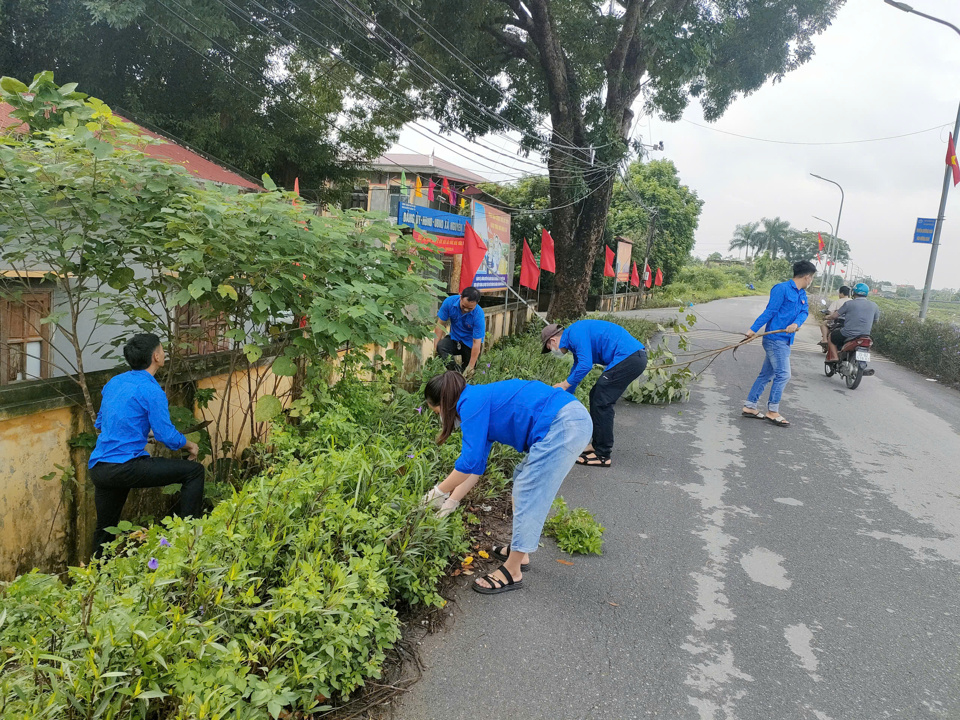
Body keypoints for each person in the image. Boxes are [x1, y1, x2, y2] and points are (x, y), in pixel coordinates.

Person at [421, 372, 592, 595]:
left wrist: (437, 492)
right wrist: (450, 503)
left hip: (564, 423)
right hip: (568, 419)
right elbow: (474, 468)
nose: (440, 419)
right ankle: (521, 553)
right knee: (522, 477)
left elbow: (468, 462)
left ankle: (512, 571)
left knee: (528, 491)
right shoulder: (477, 400)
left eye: (437, 413)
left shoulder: (470, 404)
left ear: (444, 403)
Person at [88, 333, 203, 556]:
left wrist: (141, 431)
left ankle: (95, 579)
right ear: (156, 356)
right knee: (194, 472)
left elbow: (102, 422)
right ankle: (189, 541)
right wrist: (189, 445)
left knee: (105, 530)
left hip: (100, 469)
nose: (164, 353)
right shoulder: (151, 390)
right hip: (126, 466)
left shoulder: (115, 382)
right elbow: (166, 436)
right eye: (162, 349)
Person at [540, 319, 647, 468]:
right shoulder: (574, 338)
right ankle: (597, 445)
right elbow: (578, 368)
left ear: (553, 340)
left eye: (549, 348)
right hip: (631, 357)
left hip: (629, 357)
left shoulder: (575, 334)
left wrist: (564, 384)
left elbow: (585, 365)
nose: (552, 351)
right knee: (596, 395)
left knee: (602, 400)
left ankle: (603, 454)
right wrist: (564, 396)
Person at [741, 260, 817, 428]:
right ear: (807, 277)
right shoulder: (781, 289)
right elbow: (770, 311)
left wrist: (796, 324)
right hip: (775, 340)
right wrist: (753, 329)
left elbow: (804, 312)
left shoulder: (802, 294)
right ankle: (772, 411)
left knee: (766, 375)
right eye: (811, 278)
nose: (811, 281)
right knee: (783, 374)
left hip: (785, 339)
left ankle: (750, 406)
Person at [434, 286, 485, 377]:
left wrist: (471, 366)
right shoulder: (449, 302)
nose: (465, 310)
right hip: (454, 338)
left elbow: (476, 342)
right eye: (464, 306)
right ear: (460, 297)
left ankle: (465, 381)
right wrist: (435, 348)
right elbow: (440, 325)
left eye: (470, 309)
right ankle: (456, 375)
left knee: (469, 372)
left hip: (470, 343)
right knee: (441, 347)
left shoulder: (478, 315)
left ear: (476, 304)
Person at [825, 282, 880, 361]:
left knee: (831, 336)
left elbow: (835, 316)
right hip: (866, 335)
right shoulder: (874, 305)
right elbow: (876, 321)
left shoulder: (849, 304)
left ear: (853, 292)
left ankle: (834, 357)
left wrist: (828, 317)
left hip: (848, 333)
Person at [818, 285, 851, 350]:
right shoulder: (852, 301)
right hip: (849, 323)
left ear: (841, 293)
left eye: (839, 293)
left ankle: (824, 339)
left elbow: (831, 313)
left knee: (823, 324)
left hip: (837, 322)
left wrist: (827, 317)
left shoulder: (837, 302)